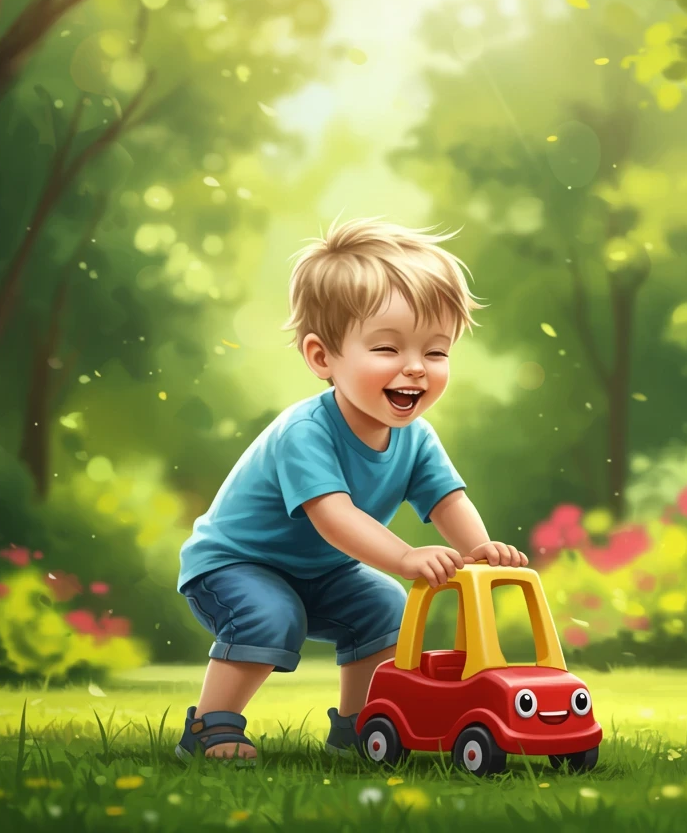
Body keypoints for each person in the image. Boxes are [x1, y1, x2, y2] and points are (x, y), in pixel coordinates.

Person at [174, 217, 528, 764]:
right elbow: (334, 517)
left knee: (386, 607)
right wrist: (407, 555)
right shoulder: (305, 433)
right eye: (387, 348)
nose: (415, 368)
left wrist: (479, 552)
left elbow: (446, 500)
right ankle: (210, 727)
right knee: (272, 615)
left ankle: (359, 726)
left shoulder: (416, 438)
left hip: (323, 571)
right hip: (235, 565)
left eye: (436, 352)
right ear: (322, 358)